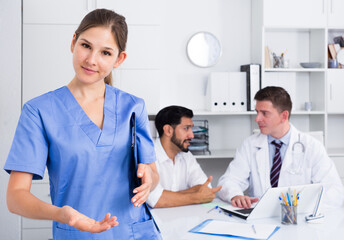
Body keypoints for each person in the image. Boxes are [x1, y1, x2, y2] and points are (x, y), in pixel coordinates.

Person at [4, 9, 162, 239]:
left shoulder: (133, 107)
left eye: (105, 52)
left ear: (119, 59)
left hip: (135, 232)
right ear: (73, 42)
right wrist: (62, 215)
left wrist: (149, 181)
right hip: (77, 233)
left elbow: (153, 174)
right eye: (86, 46)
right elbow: (15, 197)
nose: (91, 60)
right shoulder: (39, 111)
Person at [218, 86, 344, 209]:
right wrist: (236, 195)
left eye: (264, 113)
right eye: (257, 112)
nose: (257, 118)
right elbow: (228, 180)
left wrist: (303, 207)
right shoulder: (249, 145)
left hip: (298, 219)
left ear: (284, 116)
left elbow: (334, 192)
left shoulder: (312, 146)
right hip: (259, 220)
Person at [146, 105, 222, 208]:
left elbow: (206, 190)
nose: (192, 135)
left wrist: (168, 197)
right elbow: (155, 200)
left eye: (191, 128)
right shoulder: (148, 156)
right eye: (186, 128)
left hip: (184, 218)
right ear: (168, 130)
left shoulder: (186, 156)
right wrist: (196, 197)